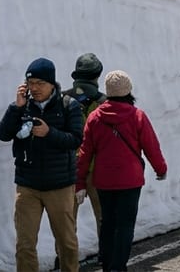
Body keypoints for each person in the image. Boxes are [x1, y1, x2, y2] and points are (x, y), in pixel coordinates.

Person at [0, 58, 84, 272]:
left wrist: (49, 133)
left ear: (52, 83)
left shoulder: (68, 105)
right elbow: (3, 134)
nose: (34, 88)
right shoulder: (22, 107)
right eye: (31, 83)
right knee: (25, 245)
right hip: (28, 186)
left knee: (66, 243)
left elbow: (76, 140)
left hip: (60, 186)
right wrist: (15, 108)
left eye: (40, 83)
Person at [76, 70, 167, 272]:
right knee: (125, 225)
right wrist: (161, 169)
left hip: (104, 180)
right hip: (130, 180)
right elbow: (151, 146)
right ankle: (118, 266)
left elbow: (85, 153)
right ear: (128, 91)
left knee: (107, 221)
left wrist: (80, 182)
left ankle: (107, 264)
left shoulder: (94, 118)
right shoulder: (137, 116)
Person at [64, 52, 108, 255]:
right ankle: (106, 254)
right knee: (103, 215)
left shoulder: (62, 99)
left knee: (66, 217)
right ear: (97, 74)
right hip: (98, 167)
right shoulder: (105, 103)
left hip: (69, 166)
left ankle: (65, 258)